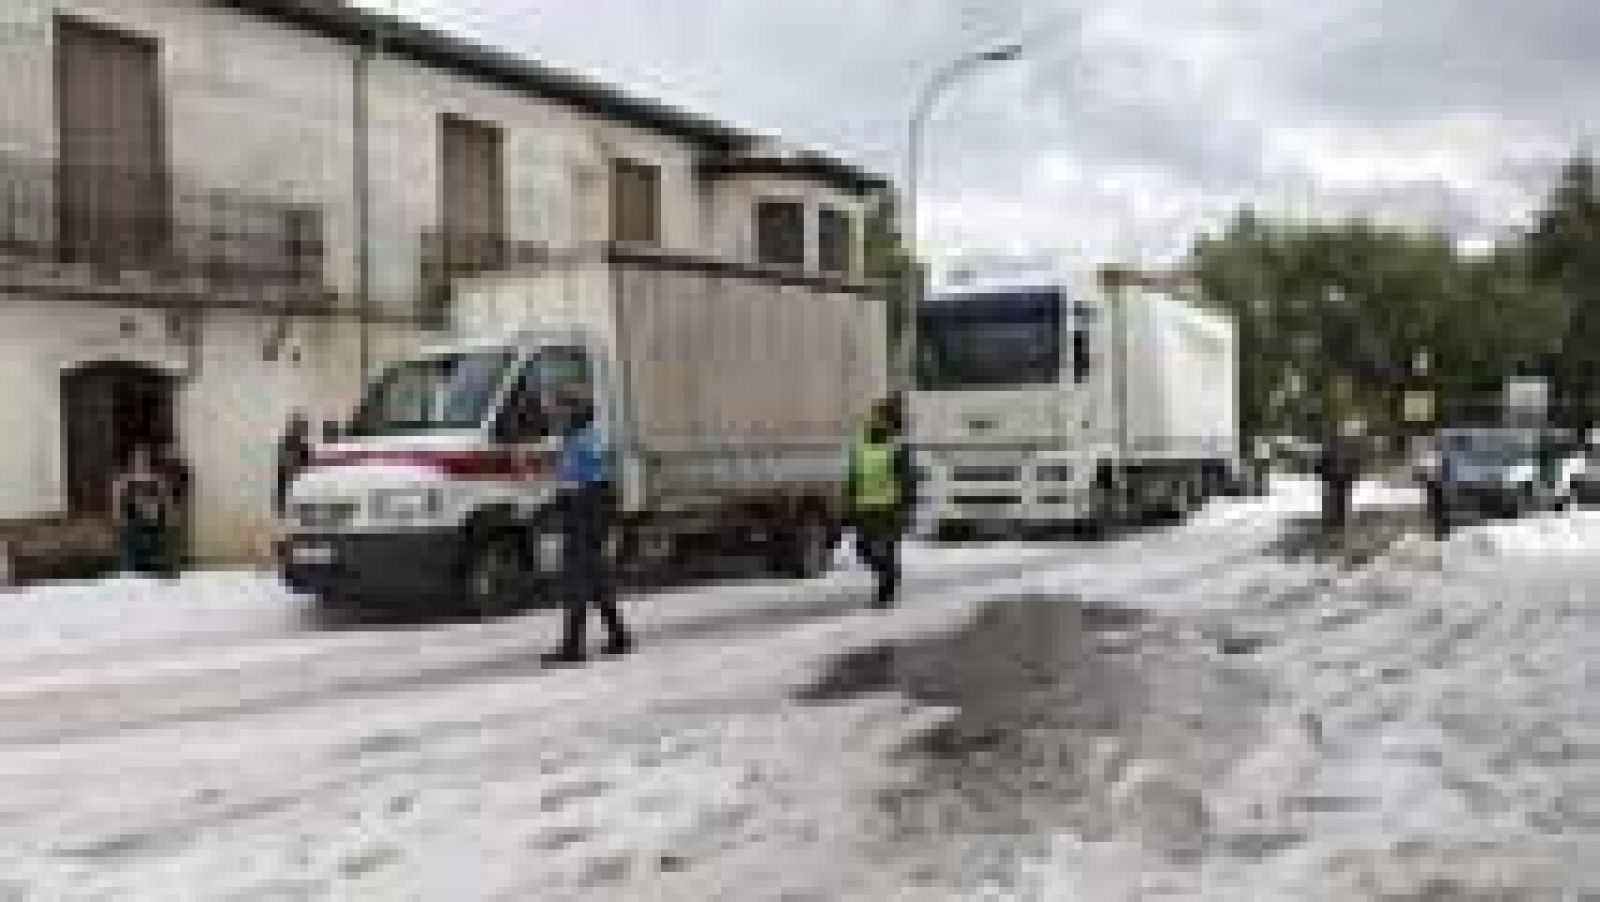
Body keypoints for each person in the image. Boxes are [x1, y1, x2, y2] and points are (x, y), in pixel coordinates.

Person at [542, 389, 631, 665]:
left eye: (558, 412)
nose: (554, 418)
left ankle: (573, 645)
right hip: (596, 507)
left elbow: (572, 483)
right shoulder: (586, 437)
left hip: (586, 509)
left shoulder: (578, 442)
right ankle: (618, 635)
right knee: (595, 575)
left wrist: (553, 506)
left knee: (577, 576)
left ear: (571, 413)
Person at [847, 395, 916, 608]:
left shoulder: (892, 444)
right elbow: (855, 473)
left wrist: (906, 503)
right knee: (868, 550)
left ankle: (885, 594)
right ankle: (889, 579)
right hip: (873, 506)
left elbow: (906, 478)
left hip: (885, 507)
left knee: (876, 549)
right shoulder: (867, 443)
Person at [112, 444, 175, 577]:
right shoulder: (126, 479)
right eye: (137, 458)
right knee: (132, 554)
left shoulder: (156, 479)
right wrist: (118, 517)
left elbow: (165, 498)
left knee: (152, 551)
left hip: (151, 522)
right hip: (133, 520)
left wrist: (163, 513)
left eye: (144, 458)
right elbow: (118, 497)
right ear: (131, 461)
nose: (140, 461)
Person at [275, 412, 312, 517]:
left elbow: (305, 461)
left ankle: (287, 511)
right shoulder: (290, 443)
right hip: (288, 475)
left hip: (294, 476)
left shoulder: (301, 445)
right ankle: (284, 511)